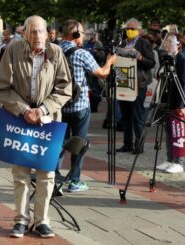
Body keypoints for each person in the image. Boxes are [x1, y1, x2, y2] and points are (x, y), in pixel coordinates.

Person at [0, 15, 72, 238]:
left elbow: (65, 88)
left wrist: (44, 109)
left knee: (47, 173)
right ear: (25, 33)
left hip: (48, 121)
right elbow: (2, 87)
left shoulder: (55, 53)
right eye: (33, 31)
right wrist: (23, 109)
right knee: (20, 173)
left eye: (41, 31)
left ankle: (42, 221)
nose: (37, 36)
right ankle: (20, 220)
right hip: (20, 119)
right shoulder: (14, 50)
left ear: (48, 33)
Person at [58, 19, 117, 192]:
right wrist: (110, 61)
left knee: (59, 144)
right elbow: (102, 74)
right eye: (82, 33)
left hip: (58, 105)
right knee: (79, 143)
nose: (83, 36)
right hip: (79, 106)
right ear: (75, 35)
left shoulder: (53, 50)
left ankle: (53, 179)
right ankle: (75, 181)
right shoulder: (81, 53)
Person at [116, 18, 155, 154]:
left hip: (138, 84)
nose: (129, 31)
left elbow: (151, 63)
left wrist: (140, 58)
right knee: (125, 116)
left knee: (138, 116)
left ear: (138, 30)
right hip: (123, 83)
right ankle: (127, 144)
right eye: (127, 29)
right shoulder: (122, 42)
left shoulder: (144, 43)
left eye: (132, 29)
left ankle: (139, 145)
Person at [156, 34, 185, 173]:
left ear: (179, 45)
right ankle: (170, 159)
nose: (167, 44)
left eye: (170, 42)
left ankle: (179, 162)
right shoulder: (168, 59)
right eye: (167, 41)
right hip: (168, 100)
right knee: (169, 130)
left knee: (179, 132)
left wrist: (181, 105)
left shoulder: (184, 59)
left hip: (179, 101)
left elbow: (184, 83)